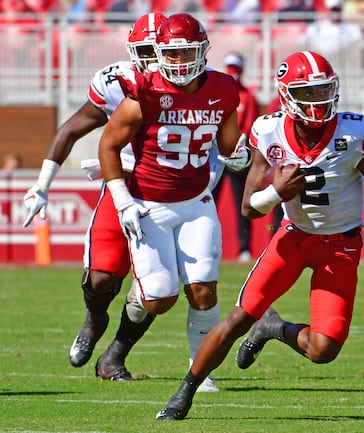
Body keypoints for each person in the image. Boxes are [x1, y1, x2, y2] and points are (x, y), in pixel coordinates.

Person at [155, 50, 364, 421]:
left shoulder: (352, 132)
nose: (319, 100)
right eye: (309, 93)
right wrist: (276, 193)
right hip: (293, 238)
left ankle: (274, 328)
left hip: (341, 244)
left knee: (323, 349)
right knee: (237, 319)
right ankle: (184, 392)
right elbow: (249, 208)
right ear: (287, 96)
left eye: (323, 90)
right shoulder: (269, 132)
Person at [97, 13, 249, 390]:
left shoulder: (224, 88)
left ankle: (202, 371)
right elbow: (108, 145)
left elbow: (230, 146)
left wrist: (240, 156)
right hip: (148, 204)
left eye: (187, 53)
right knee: (159, 297)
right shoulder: (144, 90)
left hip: (197, 201)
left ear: (202, 52)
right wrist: (121, 199)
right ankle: (139, 297)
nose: (180, 62)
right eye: (173, 53)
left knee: (203, 288)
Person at [22, 12, 171, 379]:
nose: (152, 60)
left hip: (172, 193)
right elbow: (71, 128)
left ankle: (115, 356)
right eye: (145, 51)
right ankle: (93, 318)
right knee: (103, 278)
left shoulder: (197, 87)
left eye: (158, 50)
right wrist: (42, 185)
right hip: (122, 183)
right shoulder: (115, 81)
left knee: (153, 293)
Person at [212, 52, 260, 262]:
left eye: (236, 68)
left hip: (239, 157)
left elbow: (249, 128)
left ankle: (244, 248)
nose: (233, 72)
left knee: (242, 203)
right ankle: (208, 245)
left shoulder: (248, 97)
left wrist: (236, 149)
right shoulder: (217, 95)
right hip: (217, 156)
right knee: (209, 202)